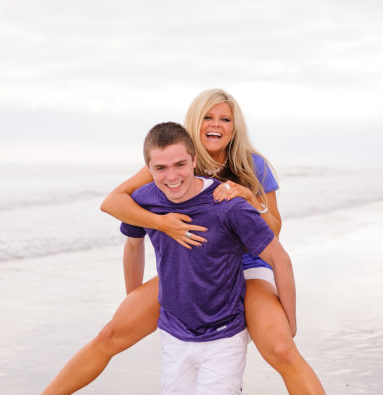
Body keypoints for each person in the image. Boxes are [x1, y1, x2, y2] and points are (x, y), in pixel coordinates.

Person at [44, 90, 324, 394]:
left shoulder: (253, 165)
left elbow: (275, 231)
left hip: (248, 267)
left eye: (225, 119)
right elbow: (115, 201)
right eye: (208, 117)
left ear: (234, 126)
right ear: (195, 121)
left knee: (282, 350)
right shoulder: (176, 161)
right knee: (110, 335)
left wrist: (248, 197)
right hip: (191, 266)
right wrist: (162, 223)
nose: (215, 125)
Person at [140, 122, 297, 392]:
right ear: (149, 169)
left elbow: (279, 257)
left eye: (180, 165)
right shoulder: (146, 199)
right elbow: (124, 228)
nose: (172, 175)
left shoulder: (228, 203)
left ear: (194, 161)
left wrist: (290, 321)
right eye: (161, 168)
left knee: (283, 351)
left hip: (224, 335)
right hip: (174, 336)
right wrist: (134, 293)